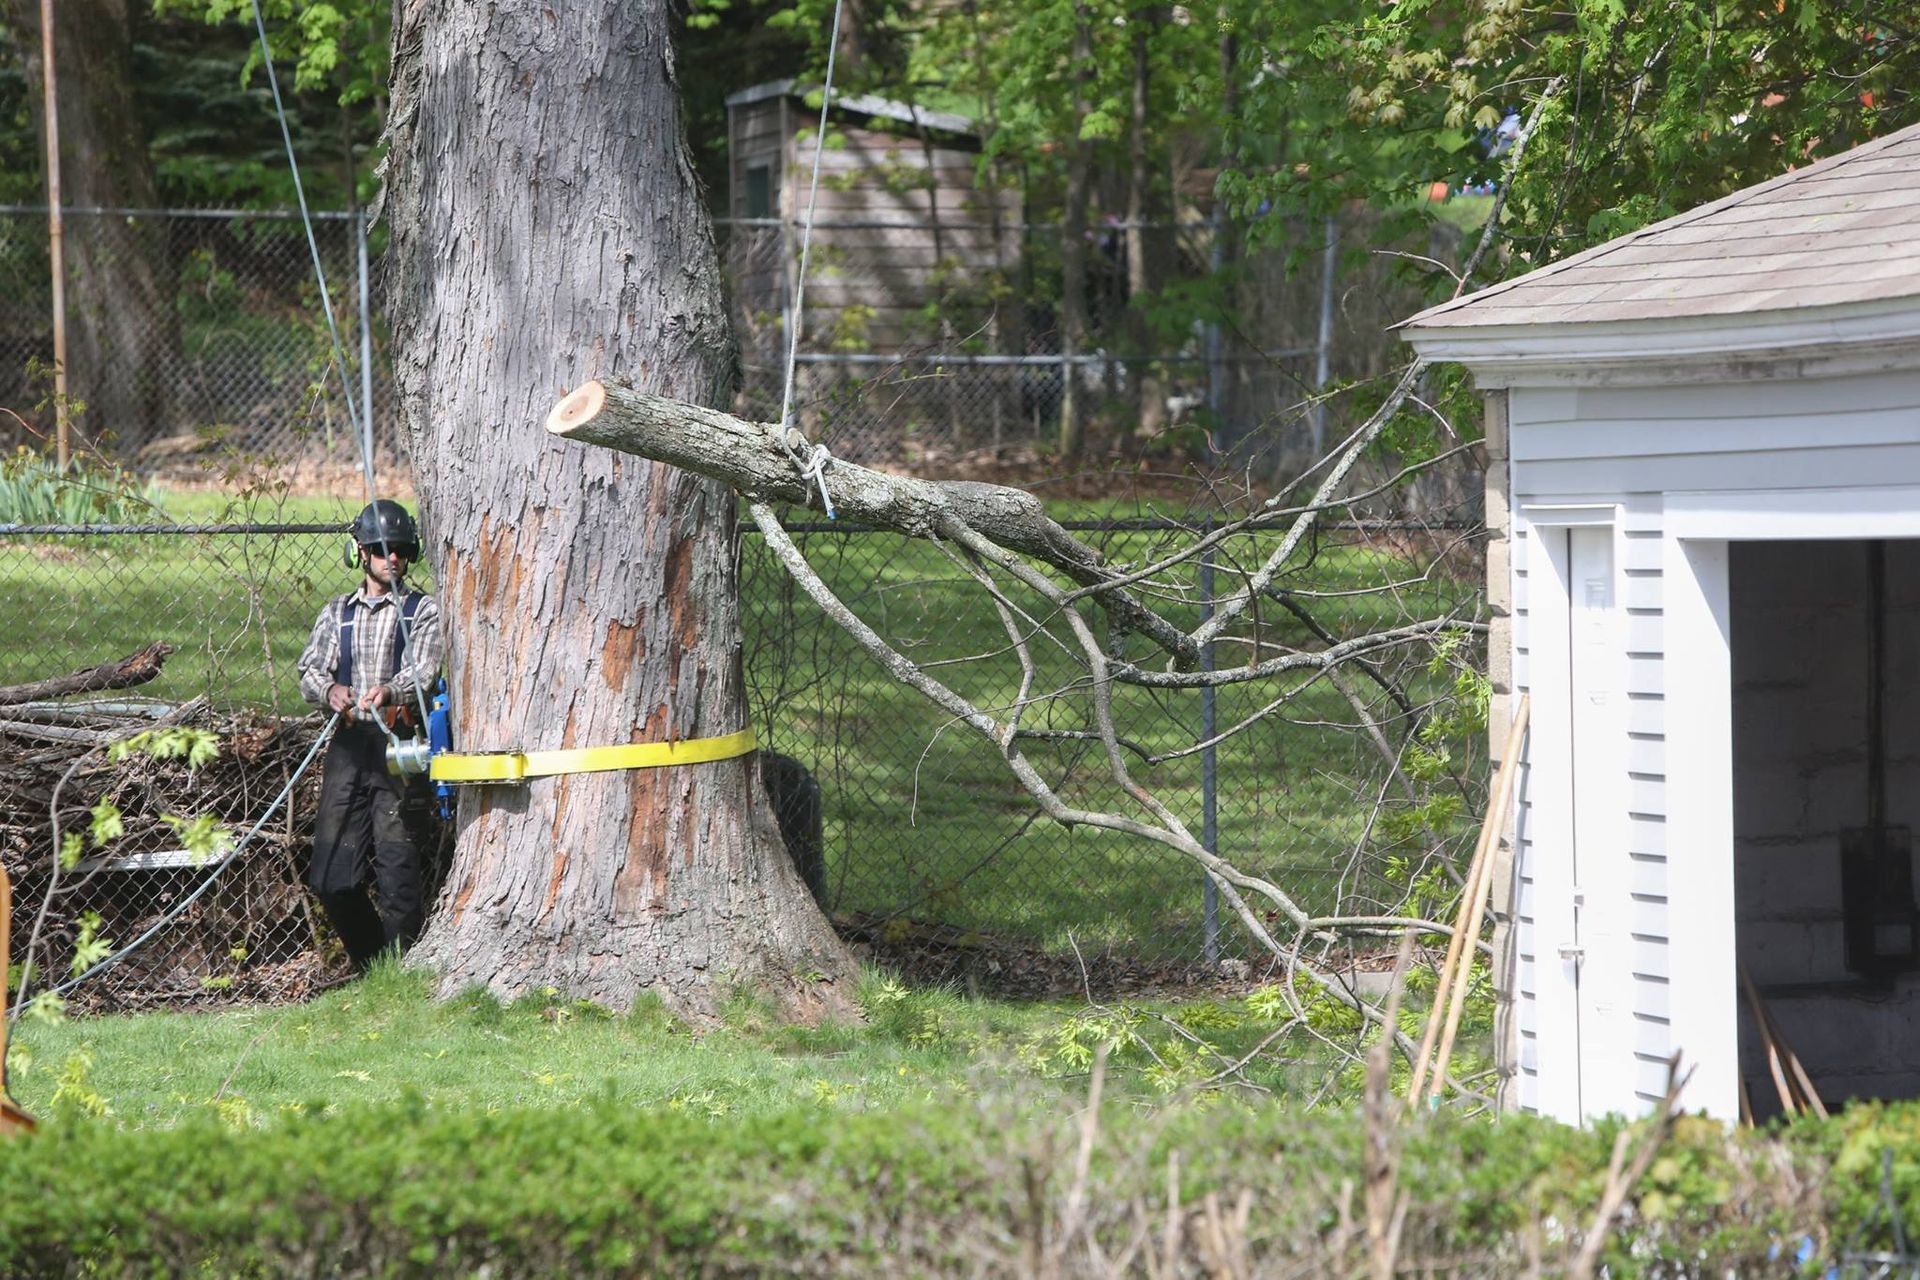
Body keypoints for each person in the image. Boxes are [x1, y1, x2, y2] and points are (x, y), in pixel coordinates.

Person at [295, 499, 444, 972]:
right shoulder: (336, 612)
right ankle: (372, 967)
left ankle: (399, 975)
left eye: (400, 549)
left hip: (399, 749)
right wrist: (332, 690)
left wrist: (390, 691)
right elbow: (308, 671)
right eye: (380, 549)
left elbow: (424, 670)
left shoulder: (422, 611)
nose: (391, 558)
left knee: (399, 871)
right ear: (359, 552)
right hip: (347, 750)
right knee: (330, 877)